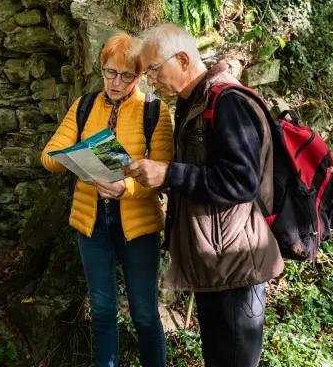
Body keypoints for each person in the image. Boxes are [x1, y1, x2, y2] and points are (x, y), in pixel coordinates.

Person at [123, 23, 284, 367]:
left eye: (153, 69)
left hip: (238, 264)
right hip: (216, 262)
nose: (149, 80)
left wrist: (169, 172)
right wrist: (162, 175)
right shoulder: (193, 100)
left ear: (181, 59)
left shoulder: (227, 101)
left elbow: (241, 183)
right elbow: (203, 172)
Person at [41, 33, 174, 367]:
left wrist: (126, 188)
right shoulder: (84, 105)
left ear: (140, 76)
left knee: (144, 313)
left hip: (137, 224)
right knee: (101, 311)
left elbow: (162, 174)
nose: (115, 82)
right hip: (93, 222)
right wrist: (71, 159)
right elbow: (48, 156)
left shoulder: (155, 111)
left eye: (126, 75)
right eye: (109, 73)